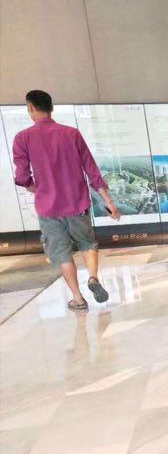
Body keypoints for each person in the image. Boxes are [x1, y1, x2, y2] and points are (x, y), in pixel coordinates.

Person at [12, 90, 120, 311]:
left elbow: (22, 177)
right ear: (51, 108)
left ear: (31, 107)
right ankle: (92, 278)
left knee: (62, 253)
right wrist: (109, 202)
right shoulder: (72, 134)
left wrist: (36, 188)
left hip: (48, 207)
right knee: (87, 243)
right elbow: (92, 170)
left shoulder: (23, 138)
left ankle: (78, 299)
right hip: (77, 202)